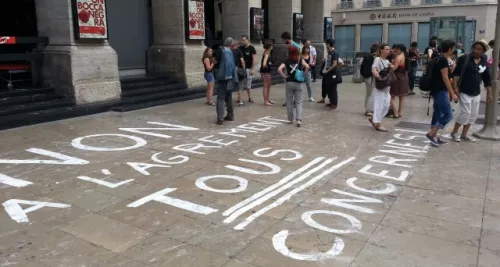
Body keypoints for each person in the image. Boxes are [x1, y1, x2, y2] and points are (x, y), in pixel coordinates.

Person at [449, 40, 492, 142]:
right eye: (474, 48)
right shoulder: (464, 58)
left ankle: (464, 135)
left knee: (473, 115)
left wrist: (489, 93)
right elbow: (455, 74)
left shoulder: (484, 62)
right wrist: (455, 88)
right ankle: (454, 132)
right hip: (464, 90)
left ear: (483, 51)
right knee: (465, 113)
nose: (475, 50)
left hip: (476, 91)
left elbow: (487, 79)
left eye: (478, 49)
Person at [426, 39, 457, 147]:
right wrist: (452, 93)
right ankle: (431, 134)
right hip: (440, 90)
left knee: (438, 113)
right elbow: (445, 78)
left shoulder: (437, 58)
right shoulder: (443, 60)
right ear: (449, 49)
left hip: (435, 90)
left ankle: (434, 135)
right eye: (453, 49)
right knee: (448, 114)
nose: (454, 50)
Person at [278, 45, 309, 127]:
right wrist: (304, 74)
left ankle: (290, 118)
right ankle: (298, 120)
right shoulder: (300, 60)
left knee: (289, 101)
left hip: (289, 83)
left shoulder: (286, 61)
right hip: (299, 83)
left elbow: (279, 69)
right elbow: (307, 66)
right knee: (299, 102)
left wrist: (284, 76)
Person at [213, 37, 238, 125]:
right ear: (231, 44)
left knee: (220, 97)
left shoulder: (221, 51)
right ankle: (230, 115)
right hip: (230, 77)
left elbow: (215, 61)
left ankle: (220, 118)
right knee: (229, 97)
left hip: (222, 77)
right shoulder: (233, 52)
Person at [368, 43, 392, 132]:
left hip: (386, 87)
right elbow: (373, 68)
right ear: (381, 50)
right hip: (379, 87)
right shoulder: (377, 59)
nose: (388, 51)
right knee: (379, 106)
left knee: (386, 105)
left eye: (389, 49)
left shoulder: (387, 61)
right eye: (386, 49)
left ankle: (374, 118)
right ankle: (378, 123)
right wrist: (378, 77)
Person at [389, 44, 411, 118]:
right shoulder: (405, 56)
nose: (395, 50)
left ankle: (395, 113)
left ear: (400, 49)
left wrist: (390, 64)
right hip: (404, 77)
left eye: (397, 49)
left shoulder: (398, 57)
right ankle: (400, 112)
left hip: (397, 77)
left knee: (391, 96)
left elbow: (394, 68)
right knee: (402, 96)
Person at [281, 32, 301, 107]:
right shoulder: (287, 45)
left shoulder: (295, 46)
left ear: (286, 38)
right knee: (287, 85)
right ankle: (289, 101)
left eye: (283, 39)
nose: (283, 41)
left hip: (293, 67)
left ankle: (295, 101)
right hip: (287, 66)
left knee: (294, 83)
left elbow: (299, 57)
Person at [320, 38, 339, 110]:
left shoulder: (334, 53)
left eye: (326, 44)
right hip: (327, 74)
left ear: (328, 44)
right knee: (329, 88)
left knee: (333, 89)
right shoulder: (330, 53)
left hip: (332, 74)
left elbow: (334, 64)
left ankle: (334, 103)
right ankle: (331, 101)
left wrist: (328, 70)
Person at [238, 35, 257, 106]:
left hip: (248, 68)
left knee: (248, 84)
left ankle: (249, 97)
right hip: (241, 69)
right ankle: (239, 98)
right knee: (240, 84)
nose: (242, 42)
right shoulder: (240, 48)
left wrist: (252, 69)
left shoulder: (251, 48)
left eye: (244, 40)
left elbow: (254, 59)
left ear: (247, 40)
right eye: (242, 40)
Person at [360, 43, 378, 116]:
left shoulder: (366, 56)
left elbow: (361, 64)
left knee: (368, 93)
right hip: (371, 77)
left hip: (366, 77)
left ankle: (367, 107)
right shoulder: (375, 58)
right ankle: (369, 110)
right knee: (371, 94)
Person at [260, 39, 274, 106]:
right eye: (272, 45)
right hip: (265, 72)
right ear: (270, 46)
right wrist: (267, 65)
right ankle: (265, 101)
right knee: (266, 86)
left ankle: (267, 99)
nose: (272, 46)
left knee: (268, 85)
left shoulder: (267, 52)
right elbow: (264, 64)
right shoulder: (266, 54)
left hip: (267, 72)